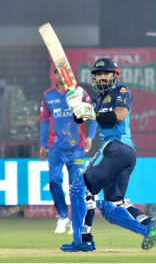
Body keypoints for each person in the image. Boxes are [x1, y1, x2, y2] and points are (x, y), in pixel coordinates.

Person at [60, 58, 156, 252]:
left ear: (115, 75)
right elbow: (79, 118)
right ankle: (147, 225)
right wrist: (74, 104)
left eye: (105, 74)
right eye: (98, 74)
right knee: (111, 205)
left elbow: (119, 115)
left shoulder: (121, 92)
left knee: (79, 189)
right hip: (123, 154)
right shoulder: (98, 100)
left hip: (116, 147)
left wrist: (91, 112)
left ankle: (83, 240)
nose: (101, 77)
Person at [40, 68, 97, 234]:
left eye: (64, 72)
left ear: (69, 75)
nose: (61, 75)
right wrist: (43, 144)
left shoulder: (79, 93)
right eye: (58, 72)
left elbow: (92, 114)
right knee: (53, 181)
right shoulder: (48, 96)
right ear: (54, 76)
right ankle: (63, 216)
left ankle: (76, 222)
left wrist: (91, 137)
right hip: (56, 148)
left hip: (76, 149)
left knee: (76, 187)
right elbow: (44, 121)